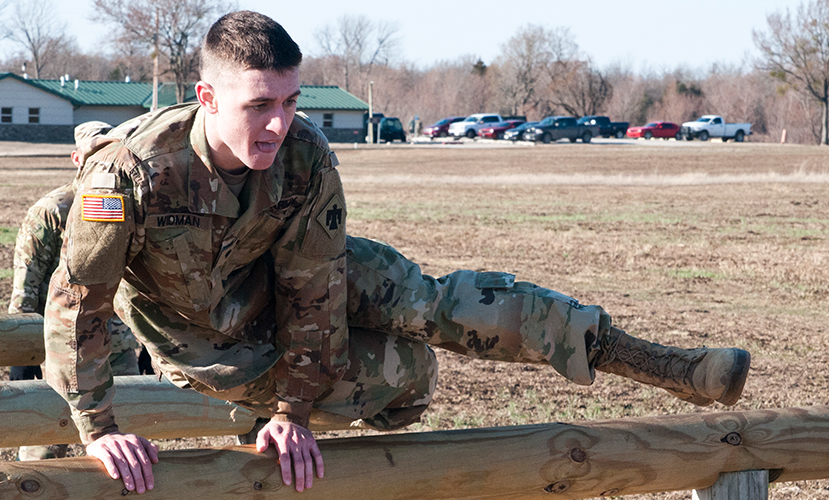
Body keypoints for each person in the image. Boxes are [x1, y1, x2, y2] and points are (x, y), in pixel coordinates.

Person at [43, 11, 751, 495]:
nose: (279, 122)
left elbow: (313, 289)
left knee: (433, 304)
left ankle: (663, 364)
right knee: (411, 374)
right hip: (204, 340)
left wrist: (295, 410)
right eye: (260, 105)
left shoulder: (305, 156)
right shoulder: (130, 171)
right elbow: (78, 303)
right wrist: (99, 429)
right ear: (206, 97)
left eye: (290, 101)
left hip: (276, 287)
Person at [7, 121, 149, 461]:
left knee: (122, 445)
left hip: (118, 346)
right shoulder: (51, 211)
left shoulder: (129, 203)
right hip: (63, 350)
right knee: (45, 444)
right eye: (93, 151)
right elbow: (26, 285)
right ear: (76, 157)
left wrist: (146, 342)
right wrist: (20, 356)